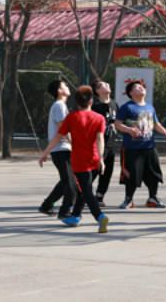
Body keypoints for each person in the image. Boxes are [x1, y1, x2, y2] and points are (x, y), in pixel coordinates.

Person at [39, 85, 109, 233]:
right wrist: (101, 159)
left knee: (86, 191)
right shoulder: (99, 118)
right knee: (82, 189)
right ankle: (75, 216)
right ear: (91, 102)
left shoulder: (72, 117)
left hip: (79, 161)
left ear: (77, 102)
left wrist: (46, 151)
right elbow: (100, 139)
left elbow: (58, 136)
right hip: (95, 159)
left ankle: (100, 217)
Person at [114, 80, 166, 209]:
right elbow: (118, 124)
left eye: (142, 87)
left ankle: (153, 198)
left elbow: (155, 124)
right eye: (138, 87)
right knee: (131, 174)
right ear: (131, 93)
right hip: (131, 148)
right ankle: (129, 199)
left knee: (153, 173)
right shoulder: (127, 107)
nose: (142, 88)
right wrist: (129, 130)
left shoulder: (150, 107)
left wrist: (164, 131)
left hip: (149, 147)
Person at [38, 79, 74, 220]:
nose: (68, 87)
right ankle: (65, 212)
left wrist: (46, 151)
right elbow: (62, 128)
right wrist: (73, 142)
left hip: (61, 149)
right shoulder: (59, 105)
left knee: (66, 180)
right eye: (65, 85)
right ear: (60, 91)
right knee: (71, 182)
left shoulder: (60, 106)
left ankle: (47, 205)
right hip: (62, 149)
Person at [90, 79, 118, 207]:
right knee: (94, 171)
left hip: (111, 143)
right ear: (97, 91)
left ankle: (99, 196)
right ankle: (81, 193)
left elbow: (118, 122)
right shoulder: (95, 106)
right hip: (97, 144)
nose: (107, 85)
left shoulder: (114, 104)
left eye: (107, 83)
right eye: (103, 85)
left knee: (107, 172)